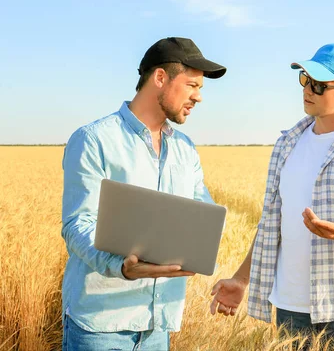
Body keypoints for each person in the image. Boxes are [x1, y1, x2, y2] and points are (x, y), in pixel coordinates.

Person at [210, 43, 334, 350]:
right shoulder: (287, 143)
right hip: (290, 310)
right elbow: (271, 224)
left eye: (319, 85)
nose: (307, 89)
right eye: (305, 79)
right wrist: (241, 279)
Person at [61, 37, 226, 350]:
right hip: (100, 327)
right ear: (160, 78)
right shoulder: (94, 140)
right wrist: (122, 267)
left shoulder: (185, 149)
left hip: (157, 328)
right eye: (192, 85)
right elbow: (77, 224)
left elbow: (203, 213)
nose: (198, 97)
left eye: (200, 89)